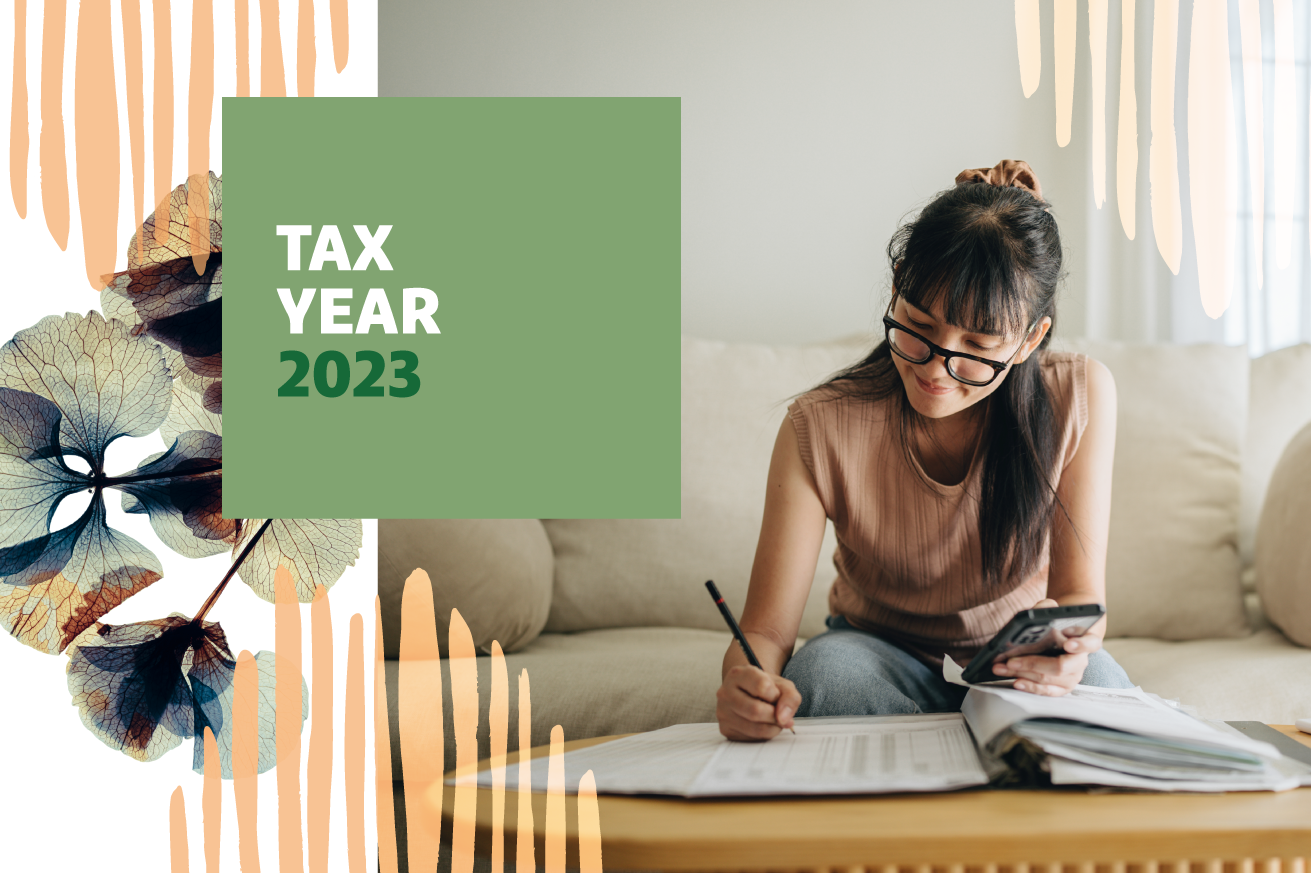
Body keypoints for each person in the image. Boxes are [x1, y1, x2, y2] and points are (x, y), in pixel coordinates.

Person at [716, 160, 1135, 742]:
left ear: (1030, 340)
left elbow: (1079, 598)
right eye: (917, 325)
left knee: (1106, 695)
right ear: (895, 289)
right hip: (874, 650)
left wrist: (1069, 651)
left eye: (978, 346)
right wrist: (746, 679)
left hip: (1015, 656)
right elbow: (764, 632)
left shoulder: (1078, 395)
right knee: (823, 678)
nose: (938, 369)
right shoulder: (820, 424)